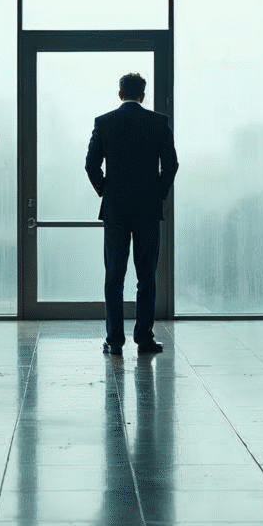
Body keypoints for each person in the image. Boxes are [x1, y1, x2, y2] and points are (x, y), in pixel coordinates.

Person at [85, 72, 178, 355]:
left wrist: (106, 190)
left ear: (120, 92)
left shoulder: (104, 122)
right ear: (143, 94)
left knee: (114, 275)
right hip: (148, 210)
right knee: (146, 275)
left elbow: (91, 165)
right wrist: (157, 193)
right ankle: (144, 338)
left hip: (116, 210)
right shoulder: (158, 122)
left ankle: (115, 340)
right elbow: (171, 165)